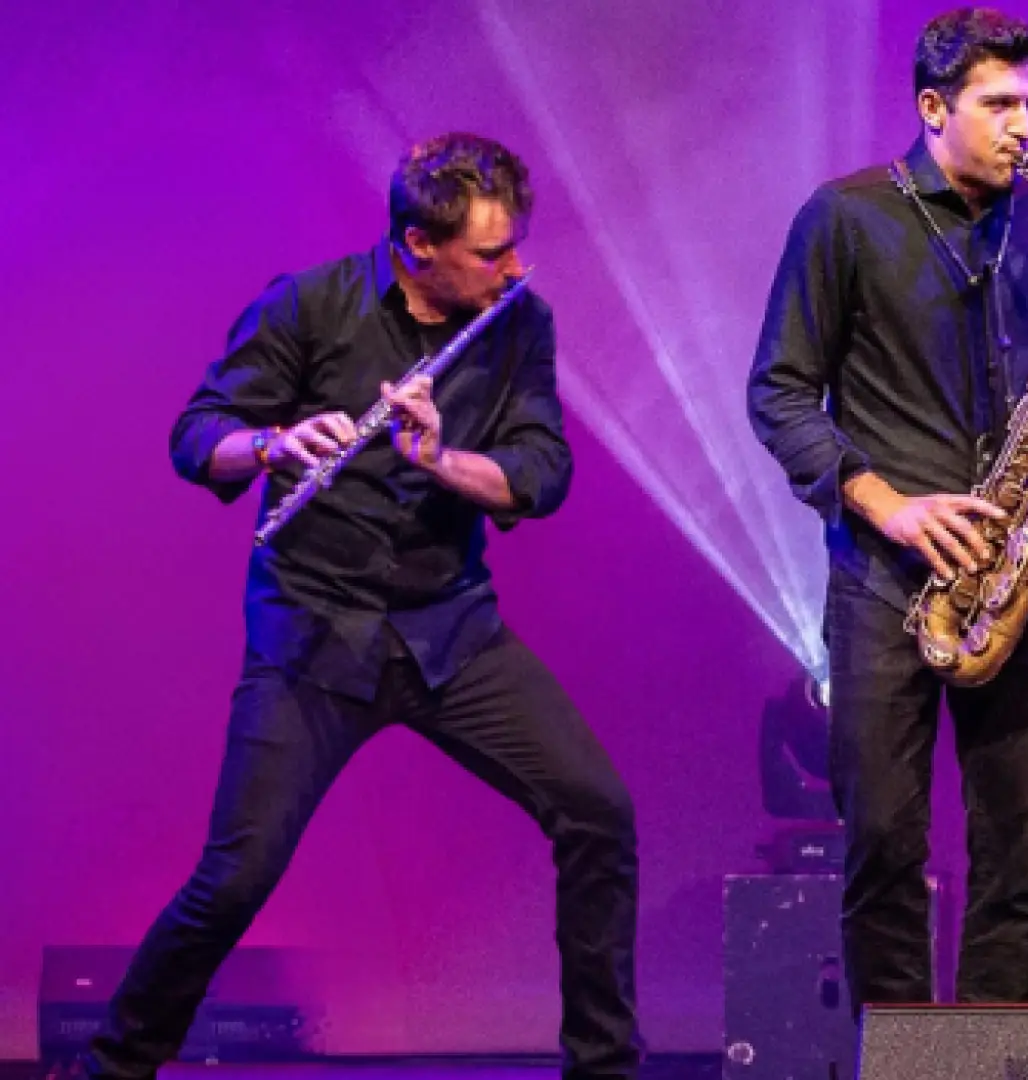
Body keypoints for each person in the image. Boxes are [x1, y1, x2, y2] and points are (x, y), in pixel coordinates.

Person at [86, 133, 642, 1080]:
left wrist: (440, 461)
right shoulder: (311, 305)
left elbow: (541, 478)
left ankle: (604, 1071)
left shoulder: (519, 323)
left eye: (515, 246)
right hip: (315, 634)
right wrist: (270, 445)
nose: (516, 267)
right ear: (418, 246)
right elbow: (195, 439)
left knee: (599, 813)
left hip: (450, 635)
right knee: (236, 878)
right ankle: (116, 1065)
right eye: (490, 253)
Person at [746, 6, 1028, 1014]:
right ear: (932, 107)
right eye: (999, 105)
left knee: (1018, 859)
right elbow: (776, 393)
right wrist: (891, 506)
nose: (1023, 126)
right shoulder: (846, 215)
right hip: (887, 583)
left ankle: (992, 1058)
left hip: (1021, 578)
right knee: (884, 857)